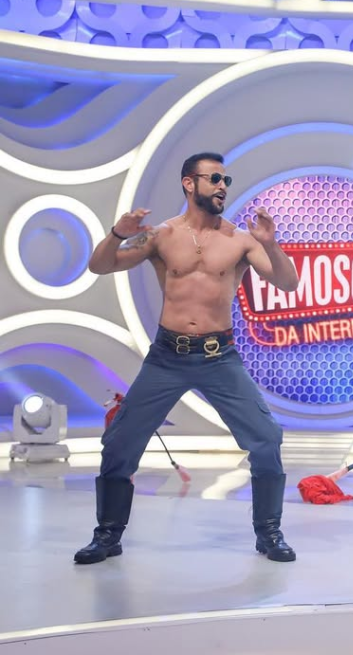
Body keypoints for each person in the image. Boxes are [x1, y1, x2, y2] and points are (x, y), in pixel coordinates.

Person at [74, 152, 300, 565]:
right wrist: (117, 234)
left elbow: (288, 282)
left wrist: (270, 243)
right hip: (167, 356)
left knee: (266, 438)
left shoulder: (240, 240)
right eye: (214, 179)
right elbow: (99, 266)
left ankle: (269, 532)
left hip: (219, 357)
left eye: (226, 181)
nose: (222, 187)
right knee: (119, 441)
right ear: (189, 183)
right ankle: (107, 535)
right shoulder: (161, 235)